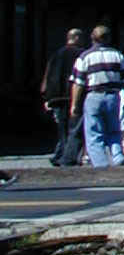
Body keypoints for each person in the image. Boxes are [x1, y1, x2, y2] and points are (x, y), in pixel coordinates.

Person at [69, 25, 124, 168]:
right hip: (113, 95)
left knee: (93, 132)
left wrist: (74, 104)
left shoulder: (85, 57)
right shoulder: (118, 55)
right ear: (109, 38)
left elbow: (78, 83)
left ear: (92, 38)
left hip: (93, 95)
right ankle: (117, 156)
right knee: (114, 129)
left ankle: (101, 164)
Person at [41, 27, 84, 166]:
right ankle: (68, 156)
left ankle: (61, 154)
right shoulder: (82, 55)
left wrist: (48, 97)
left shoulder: (57, 54)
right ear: (76, 38)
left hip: (58, 97)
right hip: (75, 96)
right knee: (75, 128)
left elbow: (49, 76)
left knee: (62, 129)